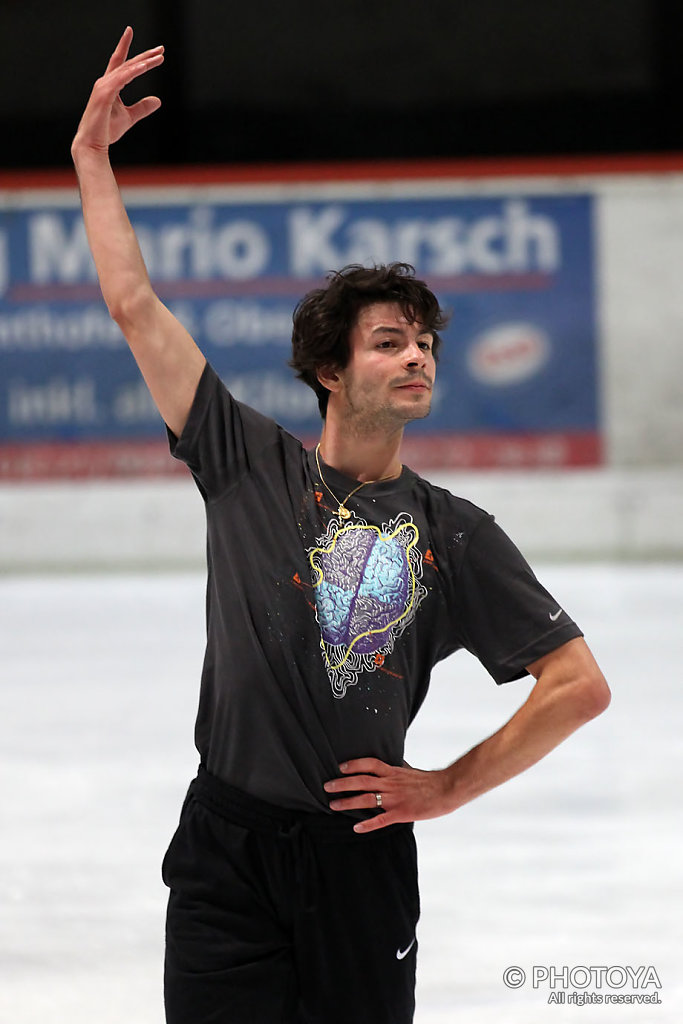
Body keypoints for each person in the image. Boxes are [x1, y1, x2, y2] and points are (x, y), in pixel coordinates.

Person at [71, 27, 611, 1024]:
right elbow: (134, 304)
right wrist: (91, 160)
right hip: (225, 848)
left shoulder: (453, 532)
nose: (416, 359)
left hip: (355, 860)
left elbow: (577, 685)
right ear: (330, 369)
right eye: (387, 342)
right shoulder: (243, 460)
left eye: (424, 344)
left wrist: (444, 786)